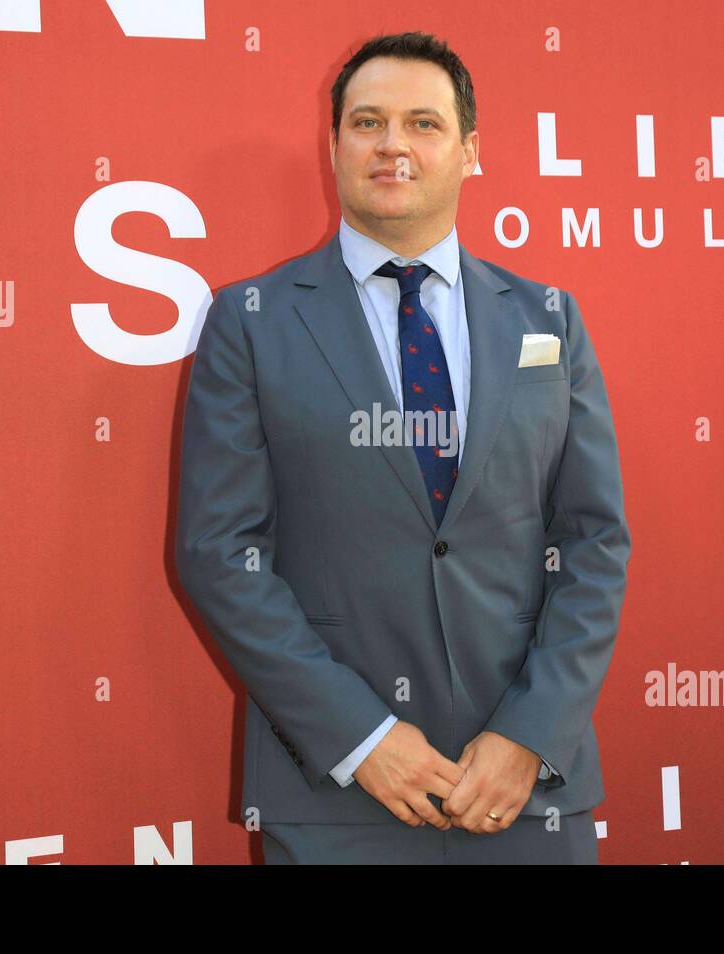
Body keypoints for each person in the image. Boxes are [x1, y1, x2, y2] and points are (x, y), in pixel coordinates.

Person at [174, 31, 631, 864]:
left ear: (469, 150)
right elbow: (218, 552)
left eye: (423, 122)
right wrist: (361, 737)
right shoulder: (250, 324)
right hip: (339, 792)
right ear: (335, 144)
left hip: (526, 796)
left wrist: (530, 735)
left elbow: (595, 544)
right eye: (367, 122)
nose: (393, 145)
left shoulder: (549, 320)